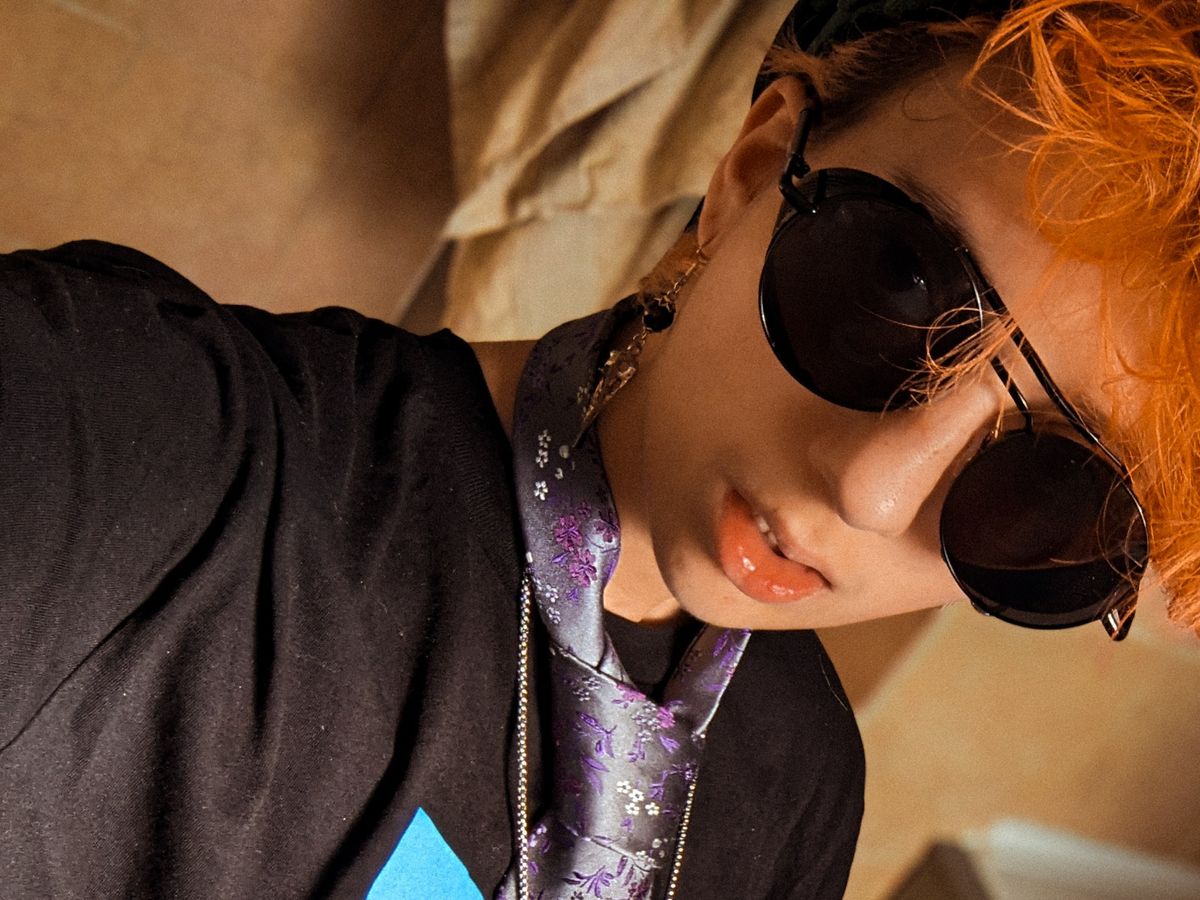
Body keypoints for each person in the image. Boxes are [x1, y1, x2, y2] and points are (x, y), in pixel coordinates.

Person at [1, 0, 1197, 898]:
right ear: (751, 170)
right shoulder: (131, 441)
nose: (872, 492)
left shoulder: (798, 790)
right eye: (892, 285)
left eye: (1055, 488)